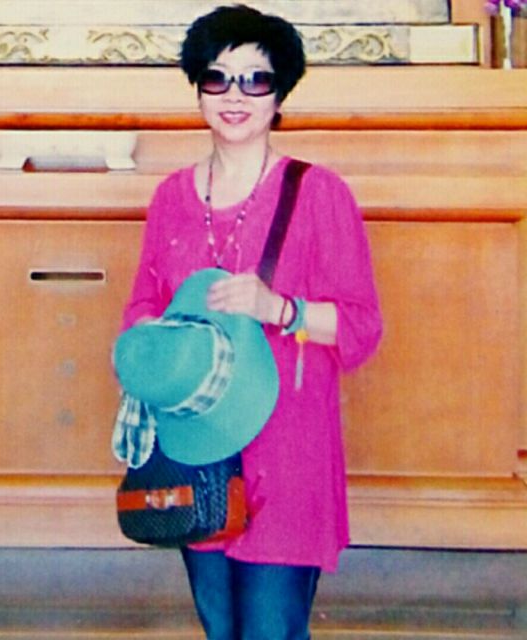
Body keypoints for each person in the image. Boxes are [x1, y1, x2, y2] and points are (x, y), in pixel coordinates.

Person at [118, 5, 383, 639]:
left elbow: (362, 326)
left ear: (279, 95)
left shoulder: (319, 194)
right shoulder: (171, 198)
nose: (235, 96)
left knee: (270, 629)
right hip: (194, 444)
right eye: (218, 78)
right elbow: (142, 305)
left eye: (255, 80)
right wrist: (145, 344)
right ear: (198, 89)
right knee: (221, 628)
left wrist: (281, 310)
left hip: (288, 450)